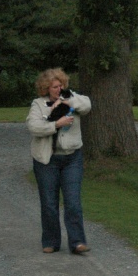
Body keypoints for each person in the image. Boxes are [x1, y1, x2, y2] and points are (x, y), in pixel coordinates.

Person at [26, 68, 92, 254]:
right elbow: (34, 127)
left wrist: (67, 100)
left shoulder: (72, 98)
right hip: (47, 160)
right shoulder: (38, 104)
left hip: (72, 158)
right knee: (49, 203)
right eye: (54, 87)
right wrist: (56, 124)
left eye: (61, 85)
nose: (58, 89)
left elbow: (86, 106)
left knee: (72, 202)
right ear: (46, 88)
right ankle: (51, 241)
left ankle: (77, 242)